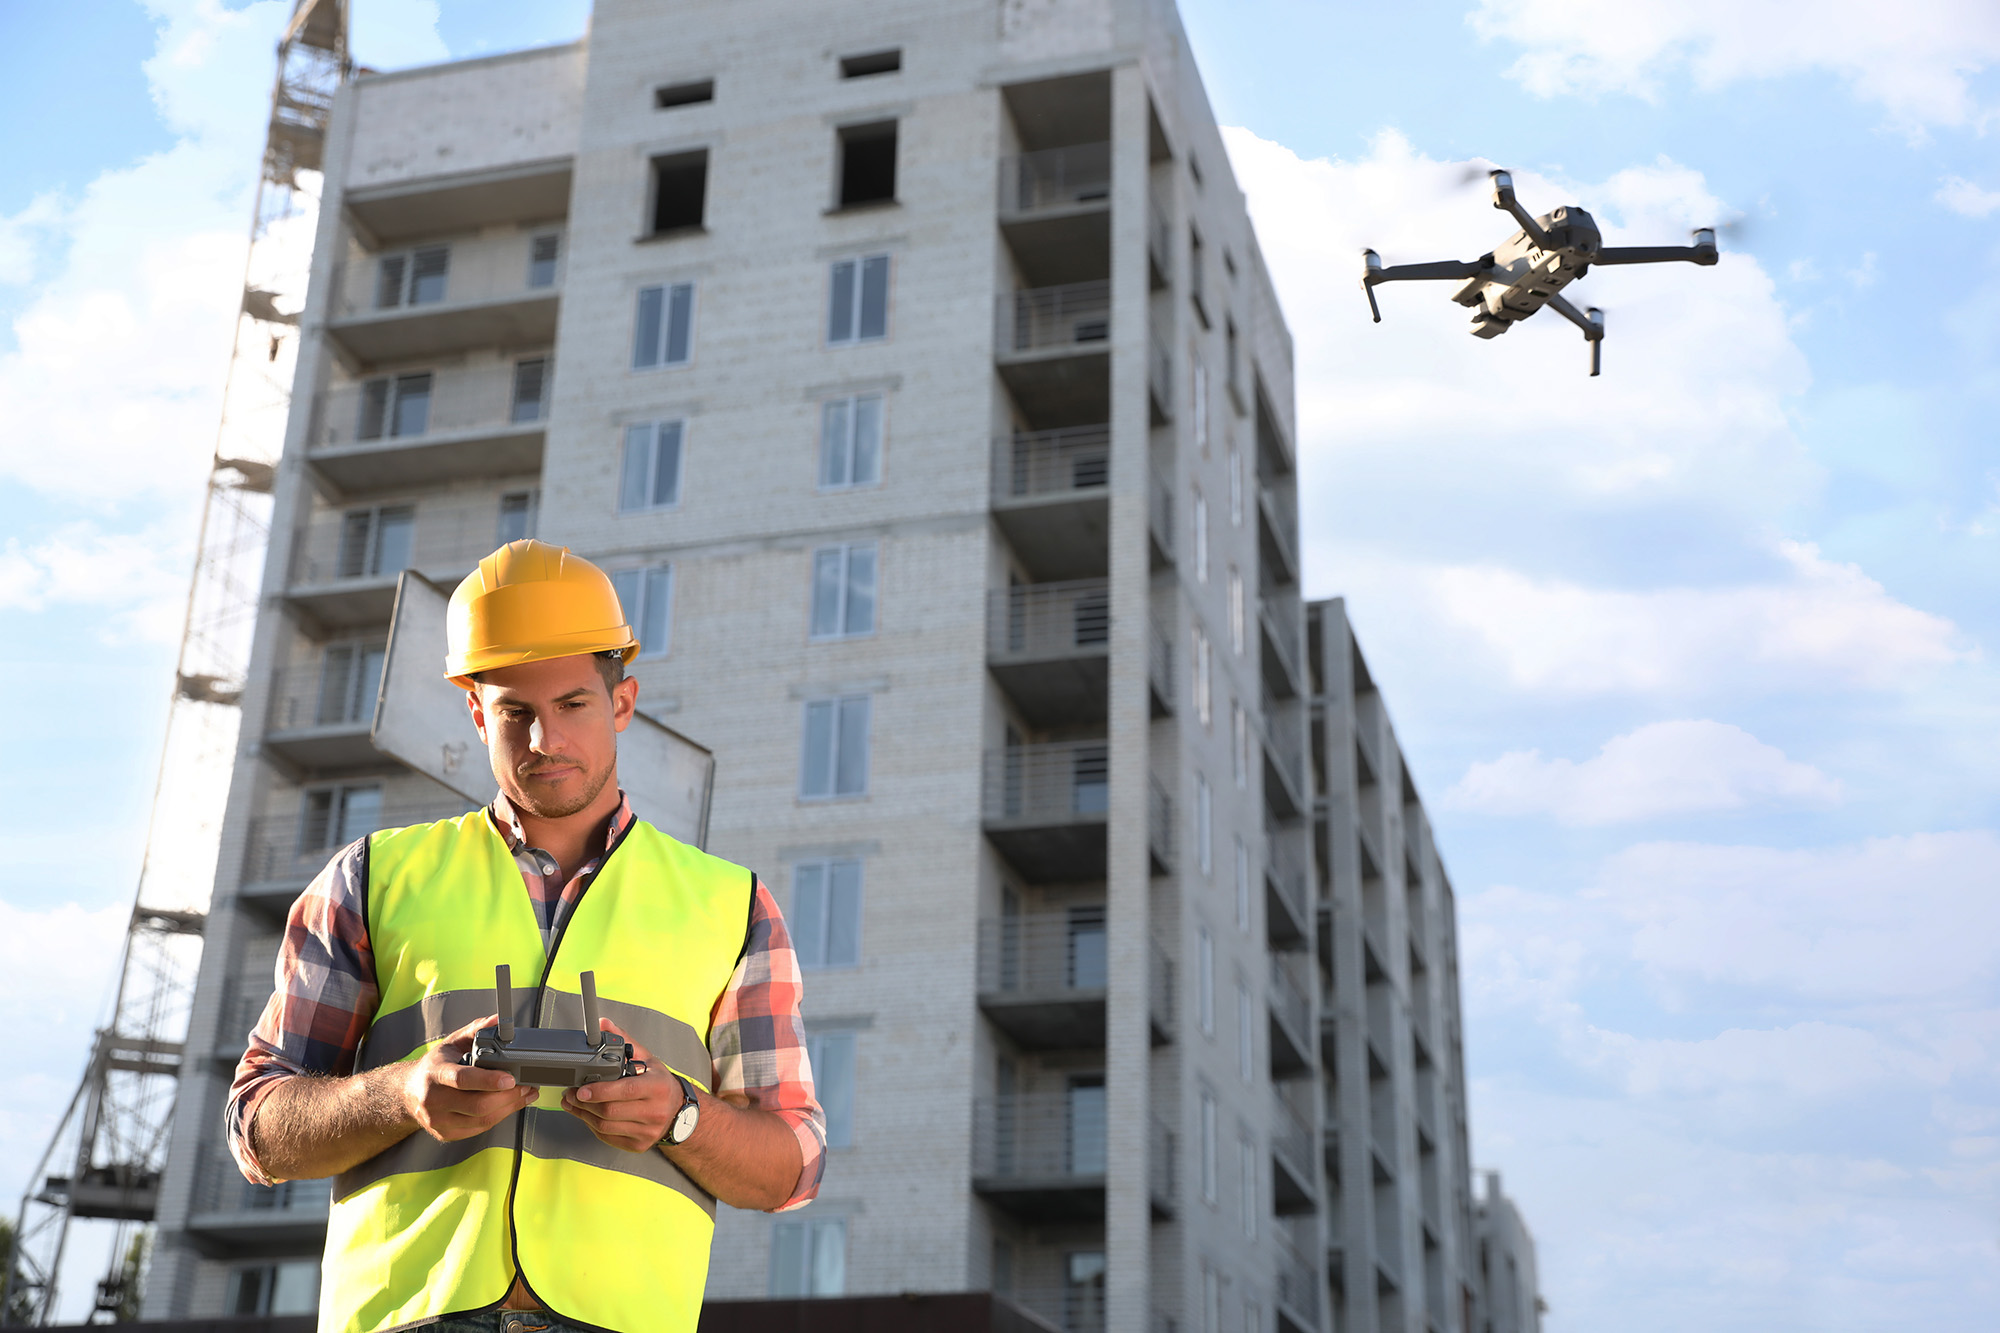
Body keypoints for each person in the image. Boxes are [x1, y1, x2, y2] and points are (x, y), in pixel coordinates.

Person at [227, 540, 824, 1333]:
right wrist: (402, 1093)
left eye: (573, 703)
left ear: (623, 701)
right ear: (477, 713)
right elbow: (259, 1129)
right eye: (515, 712)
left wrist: (679, 1112)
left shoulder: (732, 905)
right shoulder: (374, 877)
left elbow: (791, 1163)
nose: (545, 739)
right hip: (408, 1316)